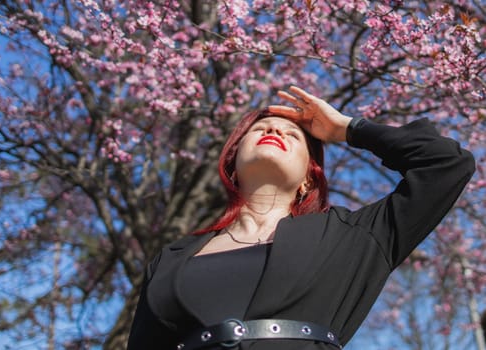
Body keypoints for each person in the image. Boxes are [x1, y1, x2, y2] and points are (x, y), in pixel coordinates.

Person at [126, 86, 475, 349]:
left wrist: (348, 129)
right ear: (232, 164)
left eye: (292, 134)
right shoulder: (173, 257)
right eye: (260, 130)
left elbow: (446, 164)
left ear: (310, 177)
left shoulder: (352, 237)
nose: (275, 131)